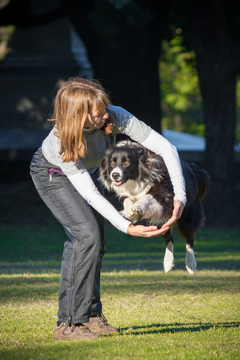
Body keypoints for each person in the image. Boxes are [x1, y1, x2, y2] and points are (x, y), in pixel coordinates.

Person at [30, 77, 186, 341]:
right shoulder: (60, 142)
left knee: (96, 240)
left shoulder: (114, 115)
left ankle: (91, 315)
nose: (105, 115)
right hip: (52, 173)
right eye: (97, 113)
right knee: (86, 235)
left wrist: (180, 195)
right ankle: (68, 324)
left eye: (105, 107)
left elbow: (165, 147)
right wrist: (127, 227)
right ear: (78, 116)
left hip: (87, 172)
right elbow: (90, 194)